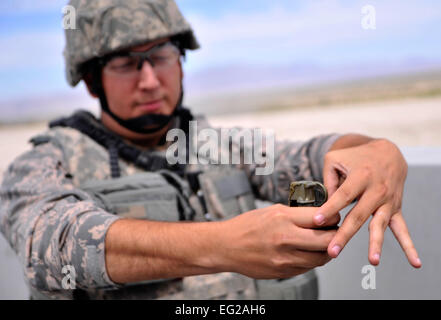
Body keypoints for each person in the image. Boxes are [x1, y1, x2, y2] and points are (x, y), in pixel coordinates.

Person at [0, 0, 421, 300]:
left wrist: (374, 151)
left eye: (161, 56)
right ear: (92, 82)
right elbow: (50, 241)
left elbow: (311, 157)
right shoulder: (46, 161)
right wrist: (224, 245)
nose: (149, 80)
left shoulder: (219, 146)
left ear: (181, 62)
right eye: (126, 63)